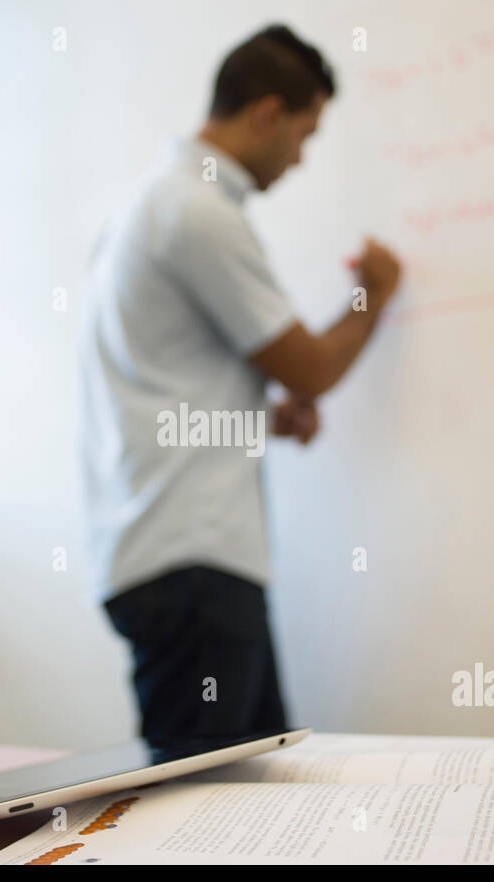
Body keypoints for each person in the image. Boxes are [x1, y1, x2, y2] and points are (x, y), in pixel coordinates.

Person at [78, 23, 401, 742]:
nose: (300, 159)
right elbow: (312, 367)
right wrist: (372, 295)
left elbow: (162, 391)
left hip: (167, 560)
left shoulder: (147, 209)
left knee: (251, 801)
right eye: (304, 134)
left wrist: (264, 417)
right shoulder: (197, 212)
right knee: (206, 823)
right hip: (195, 571)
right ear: (267, 114)